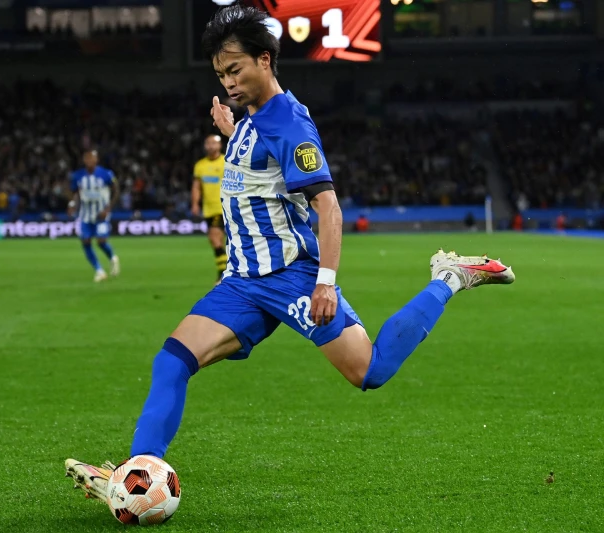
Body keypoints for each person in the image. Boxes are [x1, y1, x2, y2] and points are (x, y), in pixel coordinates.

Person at [65, 5, 515, 499]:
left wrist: (325, 281)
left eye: (235, 70)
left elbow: (329, 207)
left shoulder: (291, 125)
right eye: (220, 74)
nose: (228, 82)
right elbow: (262, 167)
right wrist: (234, 131)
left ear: (264, 59)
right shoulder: (253, 119)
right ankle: (136, 475)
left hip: (291, 277)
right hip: (242, 283)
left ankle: (449, 276)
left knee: (370, 371)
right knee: (171, 362)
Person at [68, 149, 120, 283]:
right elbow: (75, 192)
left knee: (101, 242)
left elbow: (116, 190)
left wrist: (108, 209)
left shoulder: (106, 174)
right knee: (85, 241)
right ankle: (99, 271)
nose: (89, 161)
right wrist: (72, 204)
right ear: (84, 160)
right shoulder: (78, 175)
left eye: (92, 158)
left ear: (96, 160)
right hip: (85, 215)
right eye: (87, 158)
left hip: (101, 214)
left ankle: (112, 257)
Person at [191, 134, 228, 281]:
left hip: (224, 207)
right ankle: (226, 270)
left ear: (219, 145)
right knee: (215, 240)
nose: (210, 146)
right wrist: (195, 203)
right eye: (208, 143)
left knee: (214, 237)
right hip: (208, 209)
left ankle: (223, 274)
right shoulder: (200, 165)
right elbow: (196, 187)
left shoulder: (227, 161)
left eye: (213, 143)